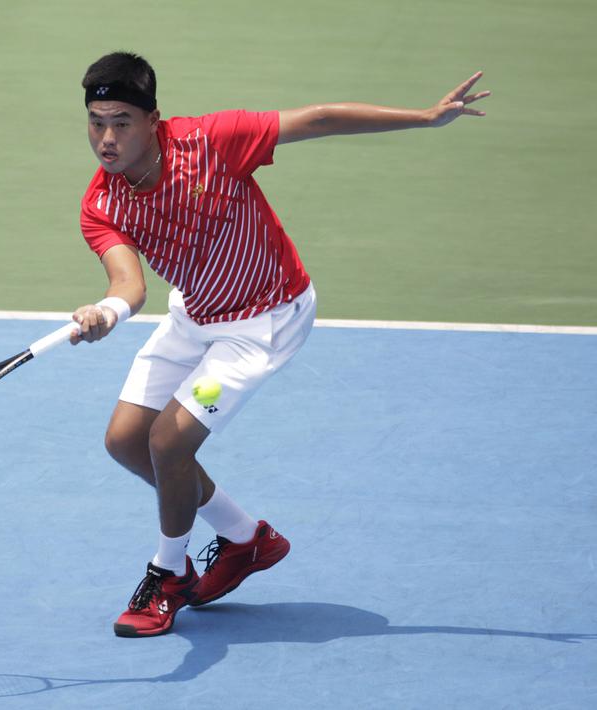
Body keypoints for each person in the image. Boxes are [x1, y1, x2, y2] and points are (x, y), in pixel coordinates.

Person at [68, 51, 489, 638]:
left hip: (264, 322)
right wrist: (107, 311)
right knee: (125, 441)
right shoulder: (102, 203)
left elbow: (316, 119)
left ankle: (167, 575)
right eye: (95, 122)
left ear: (153, 119)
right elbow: (128, 285)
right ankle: (246, 540)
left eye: (121, 122)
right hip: (196, 315)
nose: (106, 139)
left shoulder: (212, 142)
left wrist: (423, 117)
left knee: (169, 441)